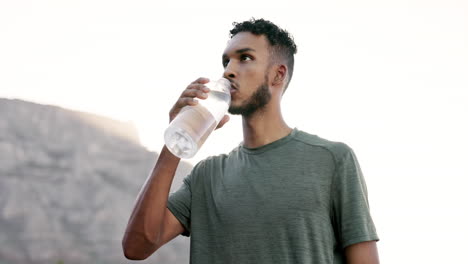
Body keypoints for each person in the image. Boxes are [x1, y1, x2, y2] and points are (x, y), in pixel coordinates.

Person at [122, 18, 380, 263]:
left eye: (245, 58)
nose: (229, 72)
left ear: (278, 75)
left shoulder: (332, 159)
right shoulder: (207, 176)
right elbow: (136, 247)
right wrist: (175, 139)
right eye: (226, 62)